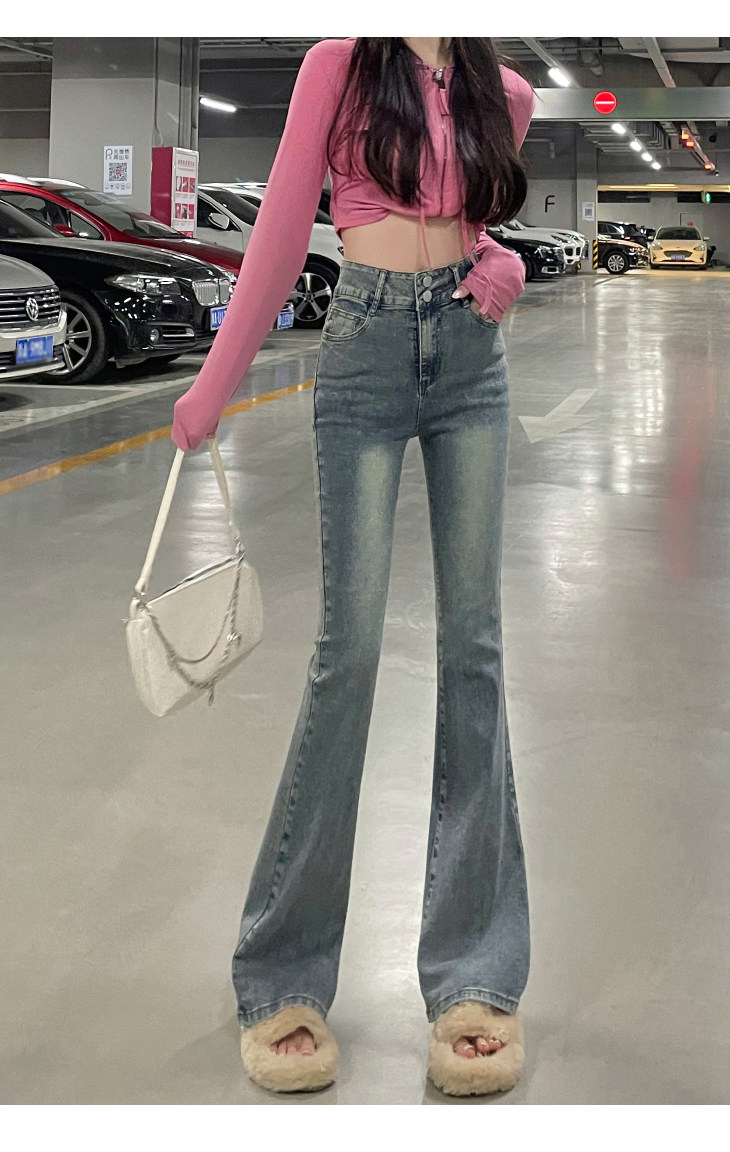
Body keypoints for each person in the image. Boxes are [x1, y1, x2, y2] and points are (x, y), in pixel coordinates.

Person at [172, 35, 535, 1098]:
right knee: (351, 652)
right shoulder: (338, 63)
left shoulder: (504, 90)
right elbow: (285, 230)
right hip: (365, 351)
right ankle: (283, 972)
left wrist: (498, 257)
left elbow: (477, 221)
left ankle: (475, 975)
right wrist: (214, 384)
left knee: (474, 650)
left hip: (471, 362)